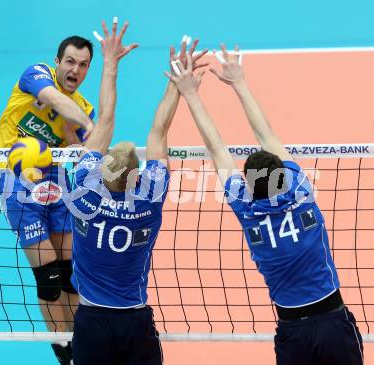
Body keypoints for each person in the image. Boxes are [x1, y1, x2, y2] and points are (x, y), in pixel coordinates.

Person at [166, 45, 364, 365]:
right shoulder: (300, 190)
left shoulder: (246, 208)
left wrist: (190, 94)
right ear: (283, 177)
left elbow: (217, 150)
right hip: (332, 324)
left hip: (292, 334)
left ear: (249, 185)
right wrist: (239, 83)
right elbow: (267, 135)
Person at [67, 21, 207, 365]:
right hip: (134, 320)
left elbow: (105, 122)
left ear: (103, 172)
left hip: (91, 322)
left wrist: (110, 63)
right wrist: (178, 83)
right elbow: (159, 133)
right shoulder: (148, 199)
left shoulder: (84, 192)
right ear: (137, 177)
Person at [0, 35, 95, 364]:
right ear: (57, 61)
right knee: (49, 278)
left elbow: (81, 153)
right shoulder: (36, 74)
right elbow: (55, 99)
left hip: (55, 181)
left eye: (82, 65)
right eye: (70, 61)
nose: (75, 70)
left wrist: (75, 137)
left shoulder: (83, 106)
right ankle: (62, 350)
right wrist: (88, 125)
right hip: (17, 178)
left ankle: (80, 344)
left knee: (71, 275)